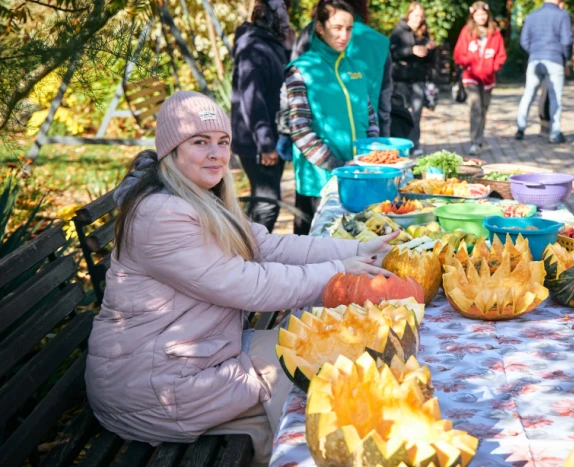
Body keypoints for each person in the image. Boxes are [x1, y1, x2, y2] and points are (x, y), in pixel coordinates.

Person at [85, 91, 396, 467]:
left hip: (195, 354)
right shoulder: (160, 216)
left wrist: (355, 253)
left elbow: (266, 246)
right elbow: (246, 284)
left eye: (222, 142)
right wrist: (338, 273)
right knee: (306, 384)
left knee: (315, 349)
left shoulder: (197, 197)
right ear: (172, 151)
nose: (217, 154)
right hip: (152, 386)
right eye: (200, 142)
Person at [286, 0, 379, 235]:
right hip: (318, 181)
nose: (344, 35)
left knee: (355, 245)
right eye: (337, 28)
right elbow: (299, 128)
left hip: (357, 177)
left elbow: (370, 116)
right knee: (311, 252)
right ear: (319, 27)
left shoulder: (355, 67)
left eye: (348, 29)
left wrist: (369, 156)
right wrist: (336, 166)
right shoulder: (301, 70)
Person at [291, 0, 392, 137]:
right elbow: (384, 102)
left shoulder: (312, 32)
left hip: (321, 140)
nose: (344, 36)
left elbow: (291, 93)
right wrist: (383, 137)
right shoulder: (379, 42)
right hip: (361, 140)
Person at [231, 0, 288, 232]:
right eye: (284, 13)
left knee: (261, 203)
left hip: (270, 136)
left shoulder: (270, 43)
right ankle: (249, 260)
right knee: (267, 204)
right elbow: (251, 99)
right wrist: (265, 144)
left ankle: (243, 254)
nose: (287, 19)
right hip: (258, 143)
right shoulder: (253, 48)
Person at [515, 0, 573, 144]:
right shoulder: (562, 15)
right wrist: (566, 58)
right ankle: (554, 133)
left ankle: (520, 128)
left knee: (528, 94)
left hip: (535, 58)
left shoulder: (532, 15)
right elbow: (566, 41)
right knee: (555, 97)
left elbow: (524, 40)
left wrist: (534, 51)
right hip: (554, 59)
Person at [453, 1, 506, 155]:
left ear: (487, 15)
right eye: (478, 14)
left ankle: (480, 138)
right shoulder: (467, 32)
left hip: (488, 77)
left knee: (483, 109)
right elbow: (458, 54)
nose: (481, 17)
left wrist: (493, 67)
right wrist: (468, 62)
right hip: (471, 76)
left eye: (483, 14)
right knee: (475, 107)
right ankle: (474, 141)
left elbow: (501, 54)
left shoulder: (495, 33)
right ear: (473, 16)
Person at [390, 2, 437, 154]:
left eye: (421, 16)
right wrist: (411, 50)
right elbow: (392, 53)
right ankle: (401, 145)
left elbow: (430, 61)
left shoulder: (424, 34)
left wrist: (430, 50)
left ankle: (414, 144)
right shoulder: (398, 31)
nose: (419, 19)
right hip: (400, 79)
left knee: (417, 113)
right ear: (409, 15)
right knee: (401, 112)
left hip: (418, 78)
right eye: (416, 15)